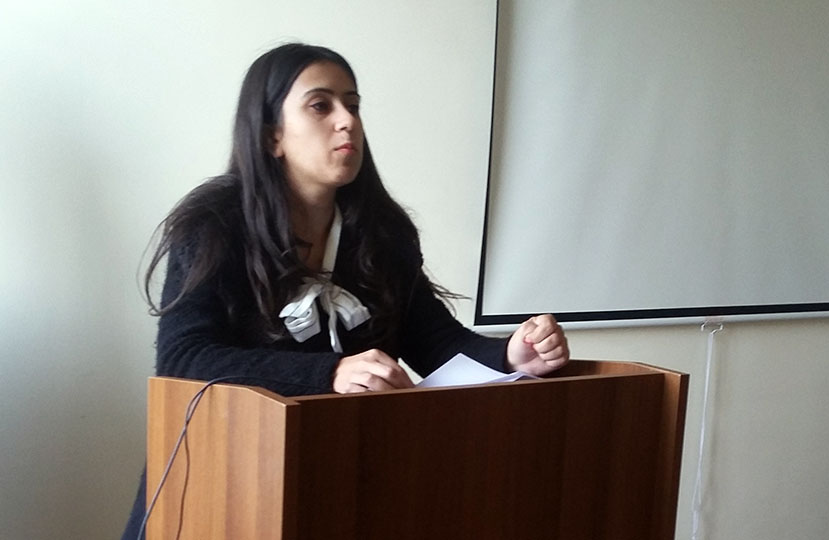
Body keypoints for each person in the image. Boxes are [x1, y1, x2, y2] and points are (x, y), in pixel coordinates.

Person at [120, 43, 569, 538]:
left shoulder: (383, 233)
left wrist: (510, 355)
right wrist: (328, 372)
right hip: (219, 482)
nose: (347, 121)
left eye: (353, 105)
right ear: (272, 135)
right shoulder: (214, 225)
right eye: (321, 105)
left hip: (343, 478)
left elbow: (434, 341)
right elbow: (184, 359)